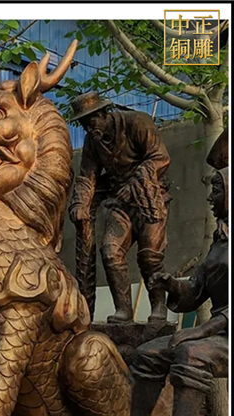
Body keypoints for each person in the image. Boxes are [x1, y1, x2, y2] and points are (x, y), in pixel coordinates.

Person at [129, 165, 228, 416]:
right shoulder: (219, 244)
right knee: (147, 353)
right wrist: (171, 284)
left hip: (222, 334)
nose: (210, 197)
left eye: (217, 190)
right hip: (219, 335)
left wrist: (201, 331)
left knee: (191, 353)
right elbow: (195, 292)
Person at [68, 91, 172, 323]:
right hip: (120, 203)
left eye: (91, 120)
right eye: (83, 123)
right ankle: (123, 310)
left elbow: (161, 158)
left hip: (149, 199)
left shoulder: (138, 122)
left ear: (105, 113)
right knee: (110, 251)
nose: (88, 127)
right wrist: (81, 202)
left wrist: (134, 184)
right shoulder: (92, 141)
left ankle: (159, 307)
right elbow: (87, 175)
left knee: (150, 257)